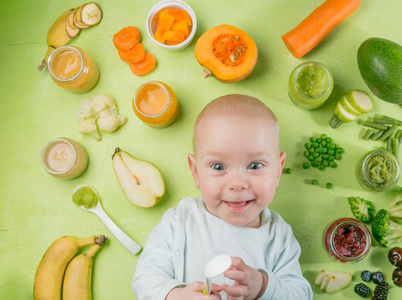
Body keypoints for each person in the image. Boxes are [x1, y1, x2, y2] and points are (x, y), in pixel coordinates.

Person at [132, 94, 312, 300]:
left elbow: (301, 295)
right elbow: (144, 280)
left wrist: (262, 286)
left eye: (254, 166)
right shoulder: (179, 221)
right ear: (196, 172)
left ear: (278, 171)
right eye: (218, 167)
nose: (237, 184)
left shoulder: (278, 237)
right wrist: (176, 296)